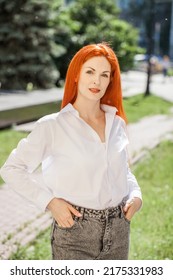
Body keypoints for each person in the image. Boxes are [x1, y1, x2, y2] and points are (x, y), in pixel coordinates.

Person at [0, 42, 142, 260]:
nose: (97, 81)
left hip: (119, 230)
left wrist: (135, 194)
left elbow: (122, 169)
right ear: (76, 75)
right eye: (90, 72)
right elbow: (12, 169)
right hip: (75, 233)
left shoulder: (117, 123)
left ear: (111, 80)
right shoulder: (53, 126)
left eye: (105, 75)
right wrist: (49, 202)